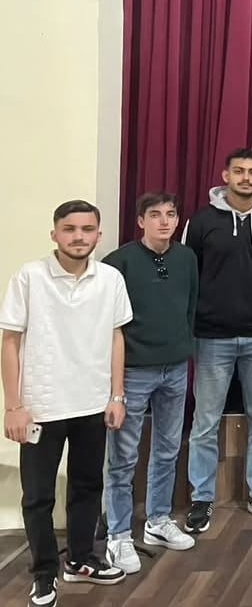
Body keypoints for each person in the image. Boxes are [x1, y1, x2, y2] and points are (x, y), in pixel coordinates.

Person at [2, 200, 133, 604]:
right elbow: (10, 340)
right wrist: (13, 406)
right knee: (38, 497)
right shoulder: (30, 276)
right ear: (54, 233)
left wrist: (116, 395)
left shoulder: (110, 279)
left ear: (98, 234)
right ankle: (44, 573)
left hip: (93, 403)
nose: (79, 237)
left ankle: (80, 559)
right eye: (70, 229)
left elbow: (116, 336)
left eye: (87, 229)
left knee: (87, 486)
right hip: (41, 406)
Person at [182, 148, 252, 532]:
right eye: (239, 171)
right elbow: (188, 278)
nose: (246, 178)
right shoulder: (201, 222)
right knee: (205, 421)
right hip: (213, 337)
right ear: (225, 175)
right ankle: (201, 498)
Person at [102, 192, 197, 575]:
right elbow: (108, 322)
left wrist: (184, 346)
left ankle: (157, 519)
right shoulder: (119, 262)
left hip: (175, 367)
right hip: (134, 371)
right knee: (123, 457)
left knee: (168, 448)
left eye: (171, 214)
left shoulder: (187, 258)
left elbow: (190, 307)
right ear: (140, 221)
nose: (164, 221)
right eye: (155, 215)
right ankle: (119, 533)